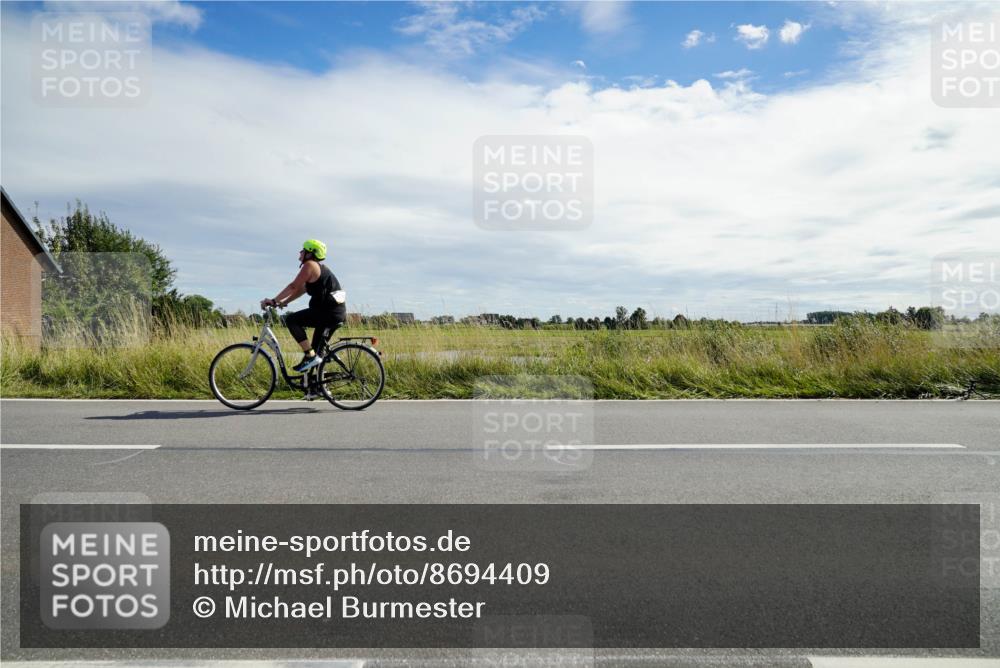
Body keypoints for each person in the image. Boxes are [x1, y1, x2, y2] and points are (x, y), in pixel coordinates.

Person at [260, 239, 347, 375]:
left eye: (303, 250)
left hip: (329, 313)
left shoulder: (310, 265)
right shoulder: (316, 268)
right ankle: (316, 387)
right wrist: (283, 302)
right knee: (317, 352)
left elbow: (293, 286)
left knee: (292, 320)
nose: (300, 252)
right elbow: (301, 289)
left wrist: (273, 300)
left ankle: (310, 355)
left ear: (310, 253)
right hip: (330, 313)